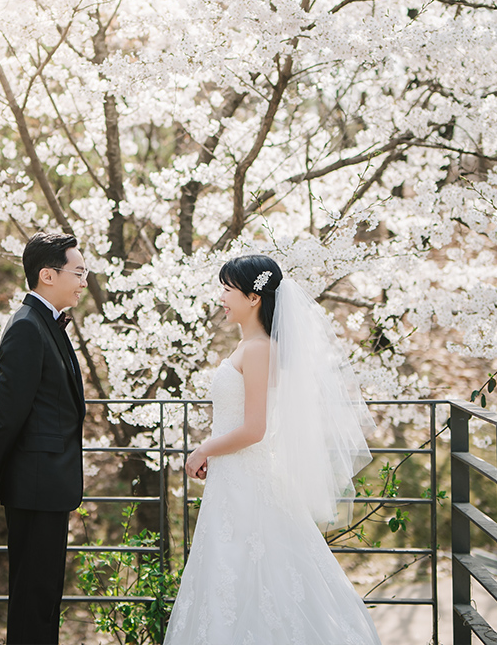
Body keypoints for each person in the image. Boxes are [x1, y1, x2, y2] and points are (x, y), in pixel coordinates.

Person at [163, 254, 382, 645]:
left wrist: (203, 450)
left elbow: (254, 428)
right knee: (234, 576)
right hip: (234, 478)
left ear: (254, 298)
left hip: (249, 479)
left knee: (255, 574)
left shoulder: (259, 349)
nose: (222, 298)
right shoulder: (249, 346)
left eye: (228, 289)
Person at [0, 232, 87, 645]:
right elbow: (10, 413)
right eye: (78, 272)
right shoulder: (26, 327)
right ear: (47, 275)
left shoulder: (44, 322)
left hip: (47, 482)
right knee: (33, 595)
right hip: (35, 482)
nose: (83, 281)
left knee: (42, 595)